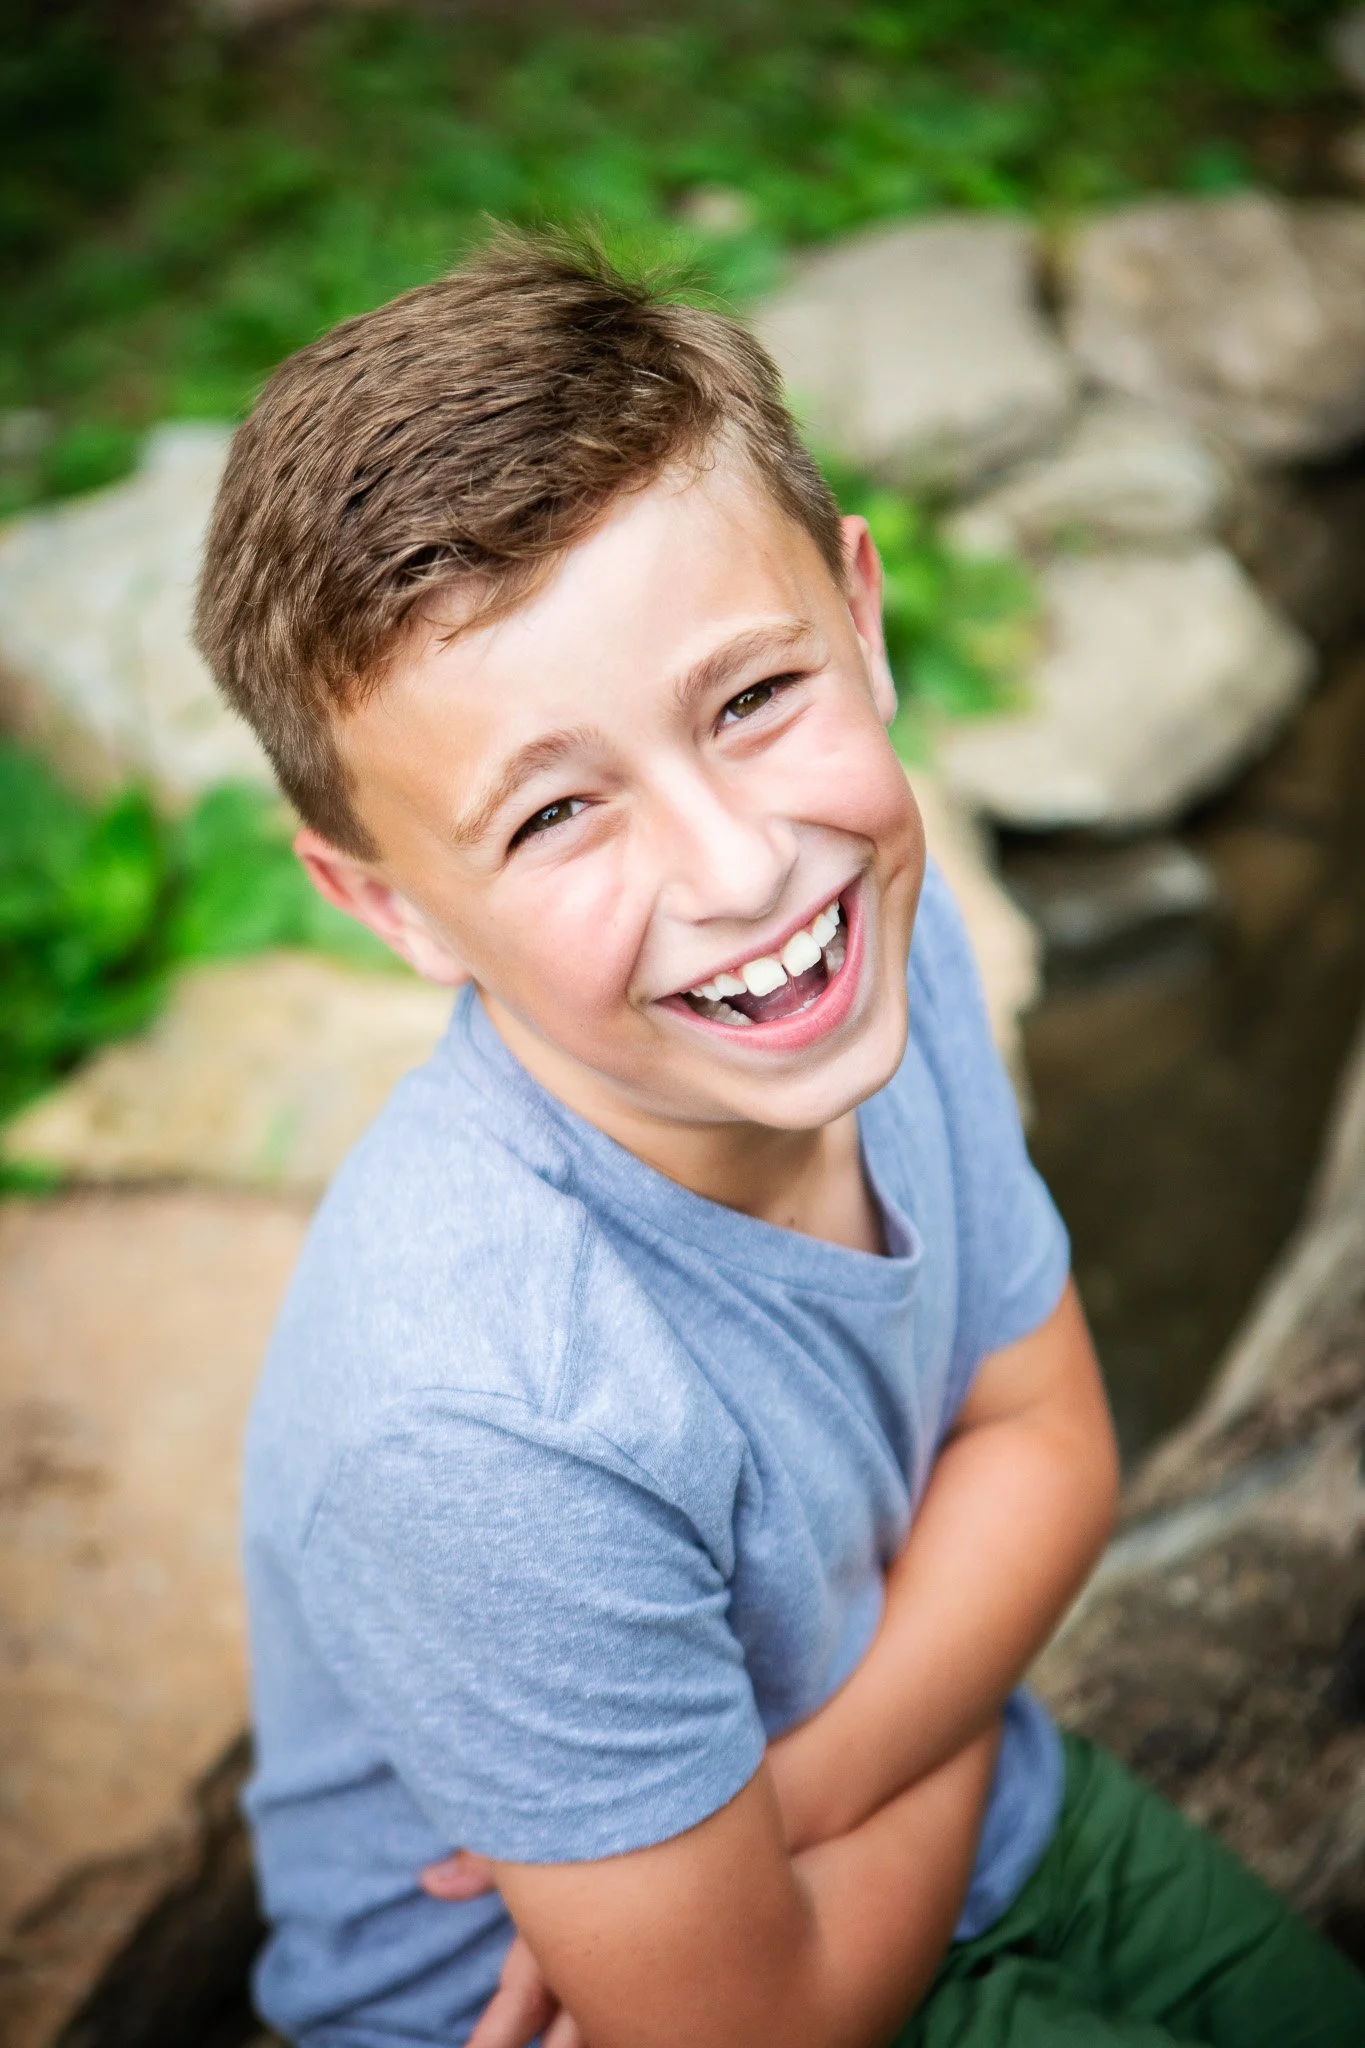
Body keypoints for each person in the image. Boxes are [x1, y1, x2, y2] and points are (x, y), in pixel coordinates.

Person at [195, 230, 1365, 2048]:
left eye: (754, 699)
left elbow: (1051, 1445)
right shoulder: (480, 1420)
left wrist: (802, 1799)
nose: (745, 874)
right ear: (389, 904)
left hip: (955, 1826)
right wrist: (927, 1715)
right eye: (558, 813)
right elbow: (764, 2019)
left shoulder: (873, 953)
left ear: (863, 617)